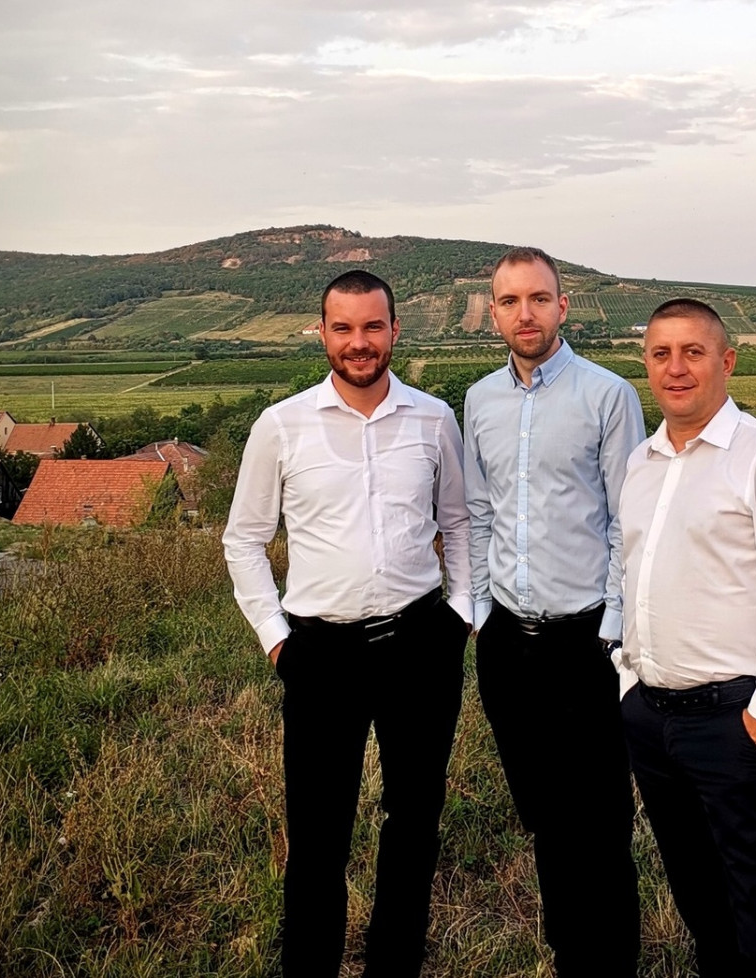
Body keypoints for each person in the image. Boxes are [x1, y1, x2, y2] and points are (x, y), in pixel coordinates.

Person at [222, 270, 472, 978]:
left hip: (420, 644)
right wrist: (277, 640)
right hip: (320, 653)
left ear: (394, 330)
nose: (358, 343)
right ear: (323, 333)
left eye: (372, 327)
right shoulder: (281, 425)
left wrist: (461, 612)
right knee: (317, 834)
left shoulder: (433, 419)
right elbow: (243, 539)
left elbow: (458, 522)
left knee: (414, 822)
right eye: (343, 328)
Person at [618, 298, 756, 978]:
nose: (675, 368)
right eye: (660, 354)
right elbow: (632, 575)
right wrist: (628, 684)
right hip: (652, 719)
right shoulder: (641, 464)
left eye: (693, 352)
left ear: (726, 361)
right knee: (702, 909)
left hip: (735, 722)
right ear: (646, 364)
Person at [463, 246, 645, 977]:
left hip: (585, 641)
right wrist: (481, 610)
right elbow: (479, 511)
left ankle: (612, 964)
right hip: (508, 643)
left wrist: (611, 632)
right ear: (493, 313)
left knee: (601, 823)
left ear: (562, 306)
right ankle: (571, 955)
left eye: (539, 298)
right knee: (544, 816)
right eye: (510, 301)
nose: (525, 313)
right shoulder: (479, 401)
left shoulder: (608, 396)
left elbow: (627, 523)